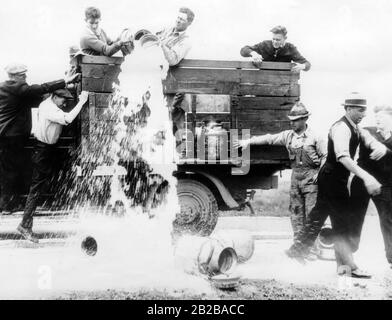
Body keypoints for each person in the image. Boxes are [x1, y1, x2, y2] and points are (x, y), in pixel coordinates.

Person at [286, 93, 387, 278]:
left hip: (333, 178)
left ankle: (297, 250)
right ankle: (350, 267)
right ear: (348, 109)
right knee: (342, 225)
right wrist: (367, 177)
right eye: (359, 110)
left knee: (318, 216)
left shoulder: (354, 126)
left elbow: (365, 136)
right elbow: (343, 157)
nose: (363, 114)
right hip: (333, 178)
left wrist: (377, 145)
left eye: (364, 110)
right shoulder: (341, 128)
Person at [237, 102, 327, 259]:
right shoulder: (288, 136)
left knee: (312, 215)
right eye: (291, 120)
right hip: (296, 177)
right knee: (296, 214)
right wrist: (248, 141)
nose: (292, 123)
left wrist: (319, 174)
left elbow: (326, 156)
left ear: (305, 119)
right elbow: (269, 139)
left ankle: (313, 250)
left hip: (312, 179)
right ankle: (299, 249)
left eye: (296, 120)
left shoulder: (316, 137)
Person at [0, 63, 80, 215]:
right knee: (11, 170)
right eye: (23, 76)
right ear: (15, 77)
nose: (25, 78)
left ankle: (8, 204)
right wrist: (65, 81)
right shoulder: (17, 88)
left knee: (7, 170)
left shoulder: (5, 88)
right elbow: (41, 88)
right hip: (12, 137)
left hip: (5, 136)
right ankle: (8, 207)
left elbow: (37, 98)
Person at [17, 90, 89, 242]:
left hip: (46, 149)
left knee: (42, 187)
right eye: (63, 100)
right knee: (36, 189)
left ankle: (27, 224)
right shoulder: (50, 109)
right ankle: (25, 225)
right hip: (44, 151)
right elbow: (68, 119)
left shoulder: (46, 104)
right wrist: (82, 102)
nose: (65, 103)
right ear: (54, 97)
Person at [349, 105, 392, 269]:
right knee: (354, 217)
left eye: (381, 116)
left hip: (385, 185)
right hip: (362, 181)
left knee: (388, 220)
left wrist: (386, 151)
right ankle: (348, 253)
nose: (377, 119)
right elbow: (357, 129)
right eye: (376, 116)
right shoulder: (368, 131)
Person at [240, 25, 311, 72]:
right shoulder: (265, 45)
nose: (274, 42)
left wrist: (302, 66)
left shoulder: (290, 48)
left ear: (285, 38)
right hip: (263, 81)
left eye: (278, 40)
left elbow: (307, 64)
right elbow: (243, 50)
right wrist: (254, 54)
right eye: (273, 39)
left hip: (282, 84)